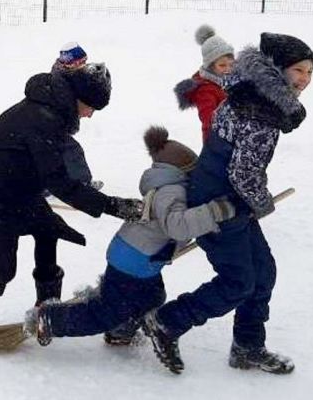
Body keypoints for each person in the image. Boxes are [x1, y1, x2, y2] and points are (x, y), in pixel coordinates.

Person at [0, 62, 145, 366]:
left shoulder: (48, 108)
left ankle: (46, 308)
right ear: (78, 97)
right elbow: (60, 182)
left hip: (15, 191)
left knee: (48, 229)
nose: (89, 115)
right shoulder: (42, 118)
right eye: (90, 107)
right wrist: (114, 205)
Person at [142, 32, 313, 375]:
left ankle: (248, 347)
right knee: (238, 282)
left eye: (310, 72)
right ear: (277, 68)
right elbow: (243, 172)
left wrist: (250, 202)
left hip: (230, 200)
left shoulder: (249, 93)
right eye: (298, 70)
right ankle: (166, 321)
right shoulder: (259, 110)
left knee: (262, 272)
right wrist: (262, 202)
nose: (304, 79)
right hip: (217, 205)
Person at [26, 125, 236, 349]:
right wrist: (214, 212)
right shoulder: (170, 192)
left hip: (138, 258)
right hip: (134, 260)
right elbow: (178, 226)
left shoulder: (167, 186)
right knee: (106, 313)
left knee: (152, 297)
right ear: (182, 171)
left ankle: (120, 330)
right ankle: (51, 321)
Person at [49, 42, 103, 191]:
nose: (84, 65)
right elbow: (67, 105)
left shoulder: (68, 74)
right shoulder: (61, 80)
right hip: (51, 123)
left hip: (55, 123)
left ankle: (46, 185)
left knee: (54, 153)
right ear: (72, 63)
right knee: (71, 151)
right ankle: (82, 184)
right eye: (82, 62)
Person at [174, 24, 234, 142]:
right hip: (217, 143)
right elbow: (209, 121)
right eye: (222, 65)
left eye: (231, 64)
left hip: (234, 138)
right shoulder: (205, 90)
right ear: (211, 66)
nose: (228, 69)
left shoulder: (229, 82)